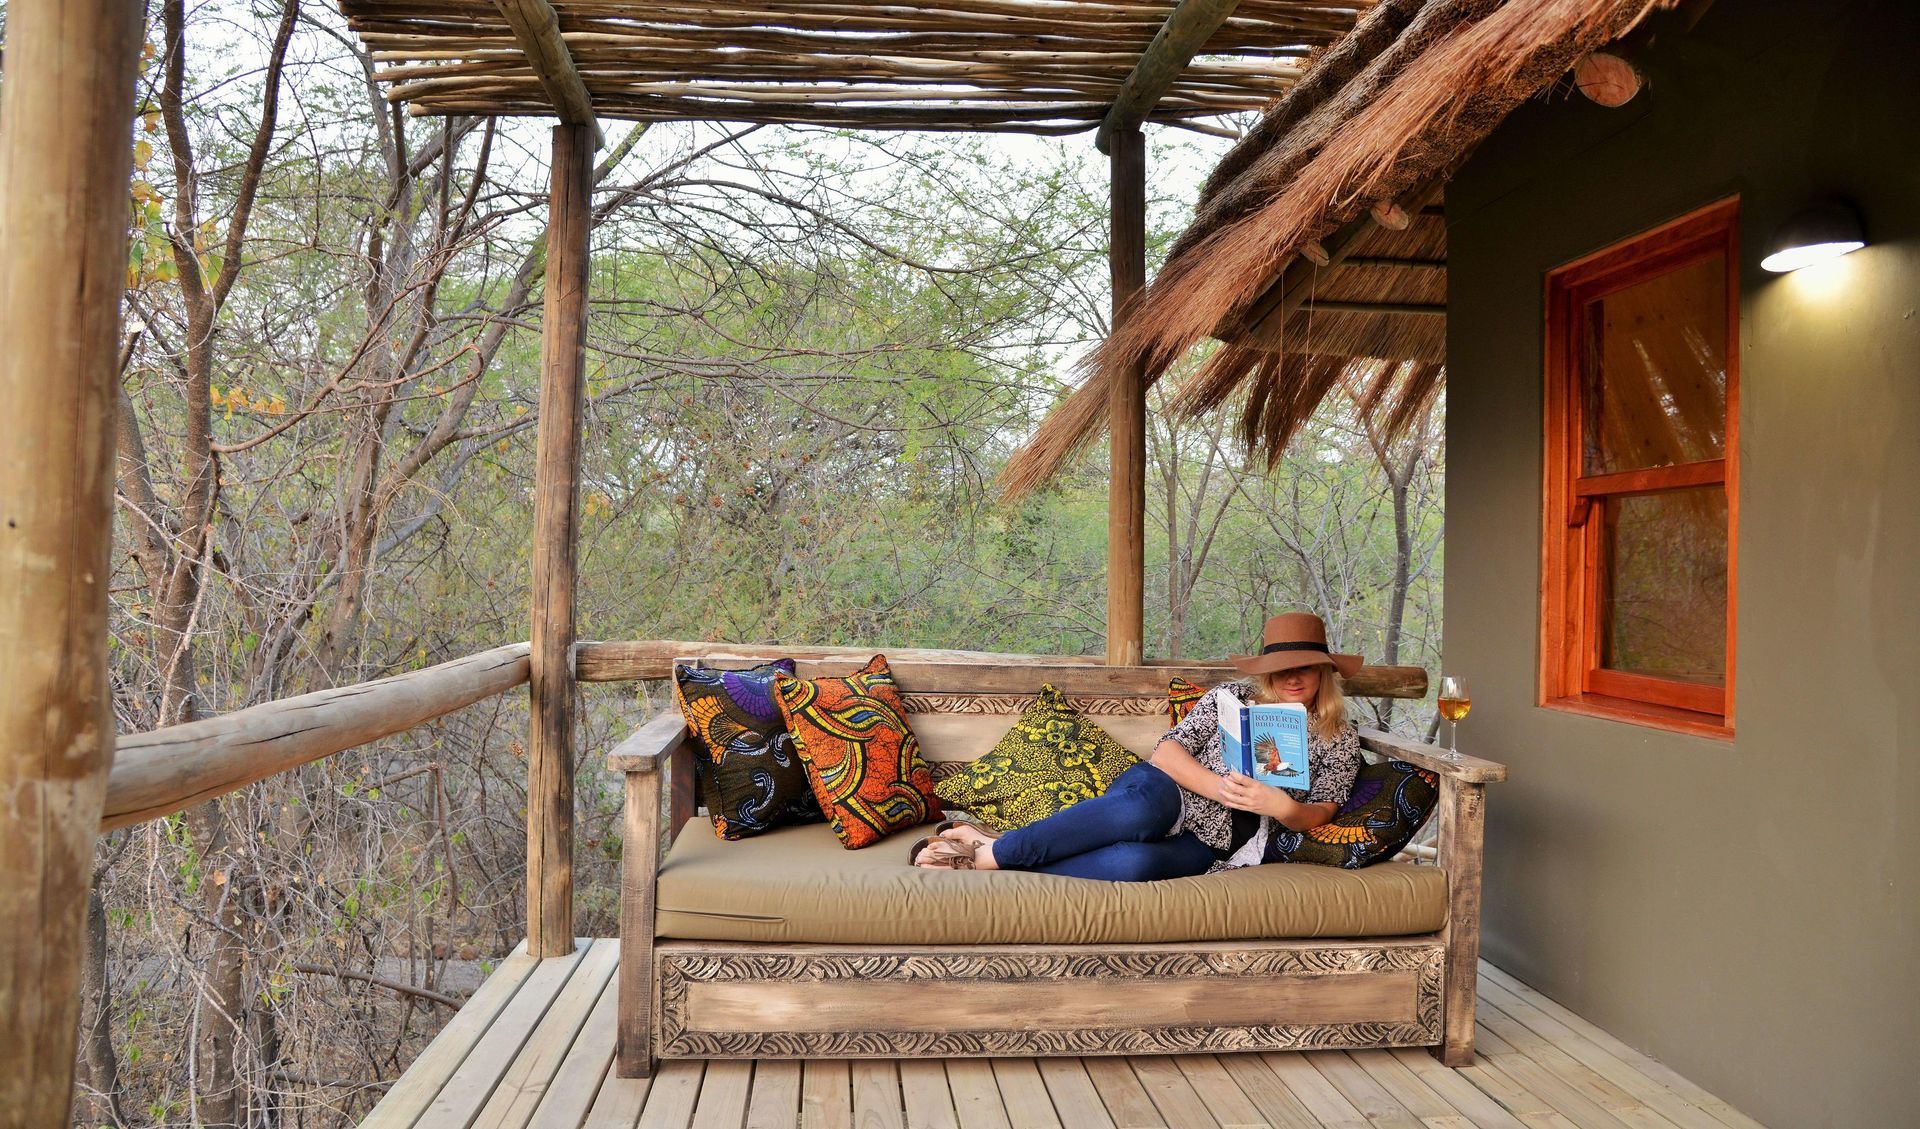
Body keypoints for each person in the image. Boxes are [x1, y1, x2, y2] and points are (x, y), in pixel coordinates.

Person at [910, 611, 1364, 879]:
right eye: (1282, 667)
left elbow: (1323, 810)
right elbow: (1167, 752)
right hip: (1169, 792)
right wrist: (1218, 787)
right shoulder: (1232, 697)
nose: (1293, 677)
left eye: (1305, 665)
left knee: (1134, 866)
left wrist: (1279, 806)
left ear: (1324, 670)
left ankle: (984, 846)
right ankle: (986, 859)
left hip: (1224, 837)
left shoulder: (1339, 735)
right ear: (1266, 670)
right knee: (1138, 813)